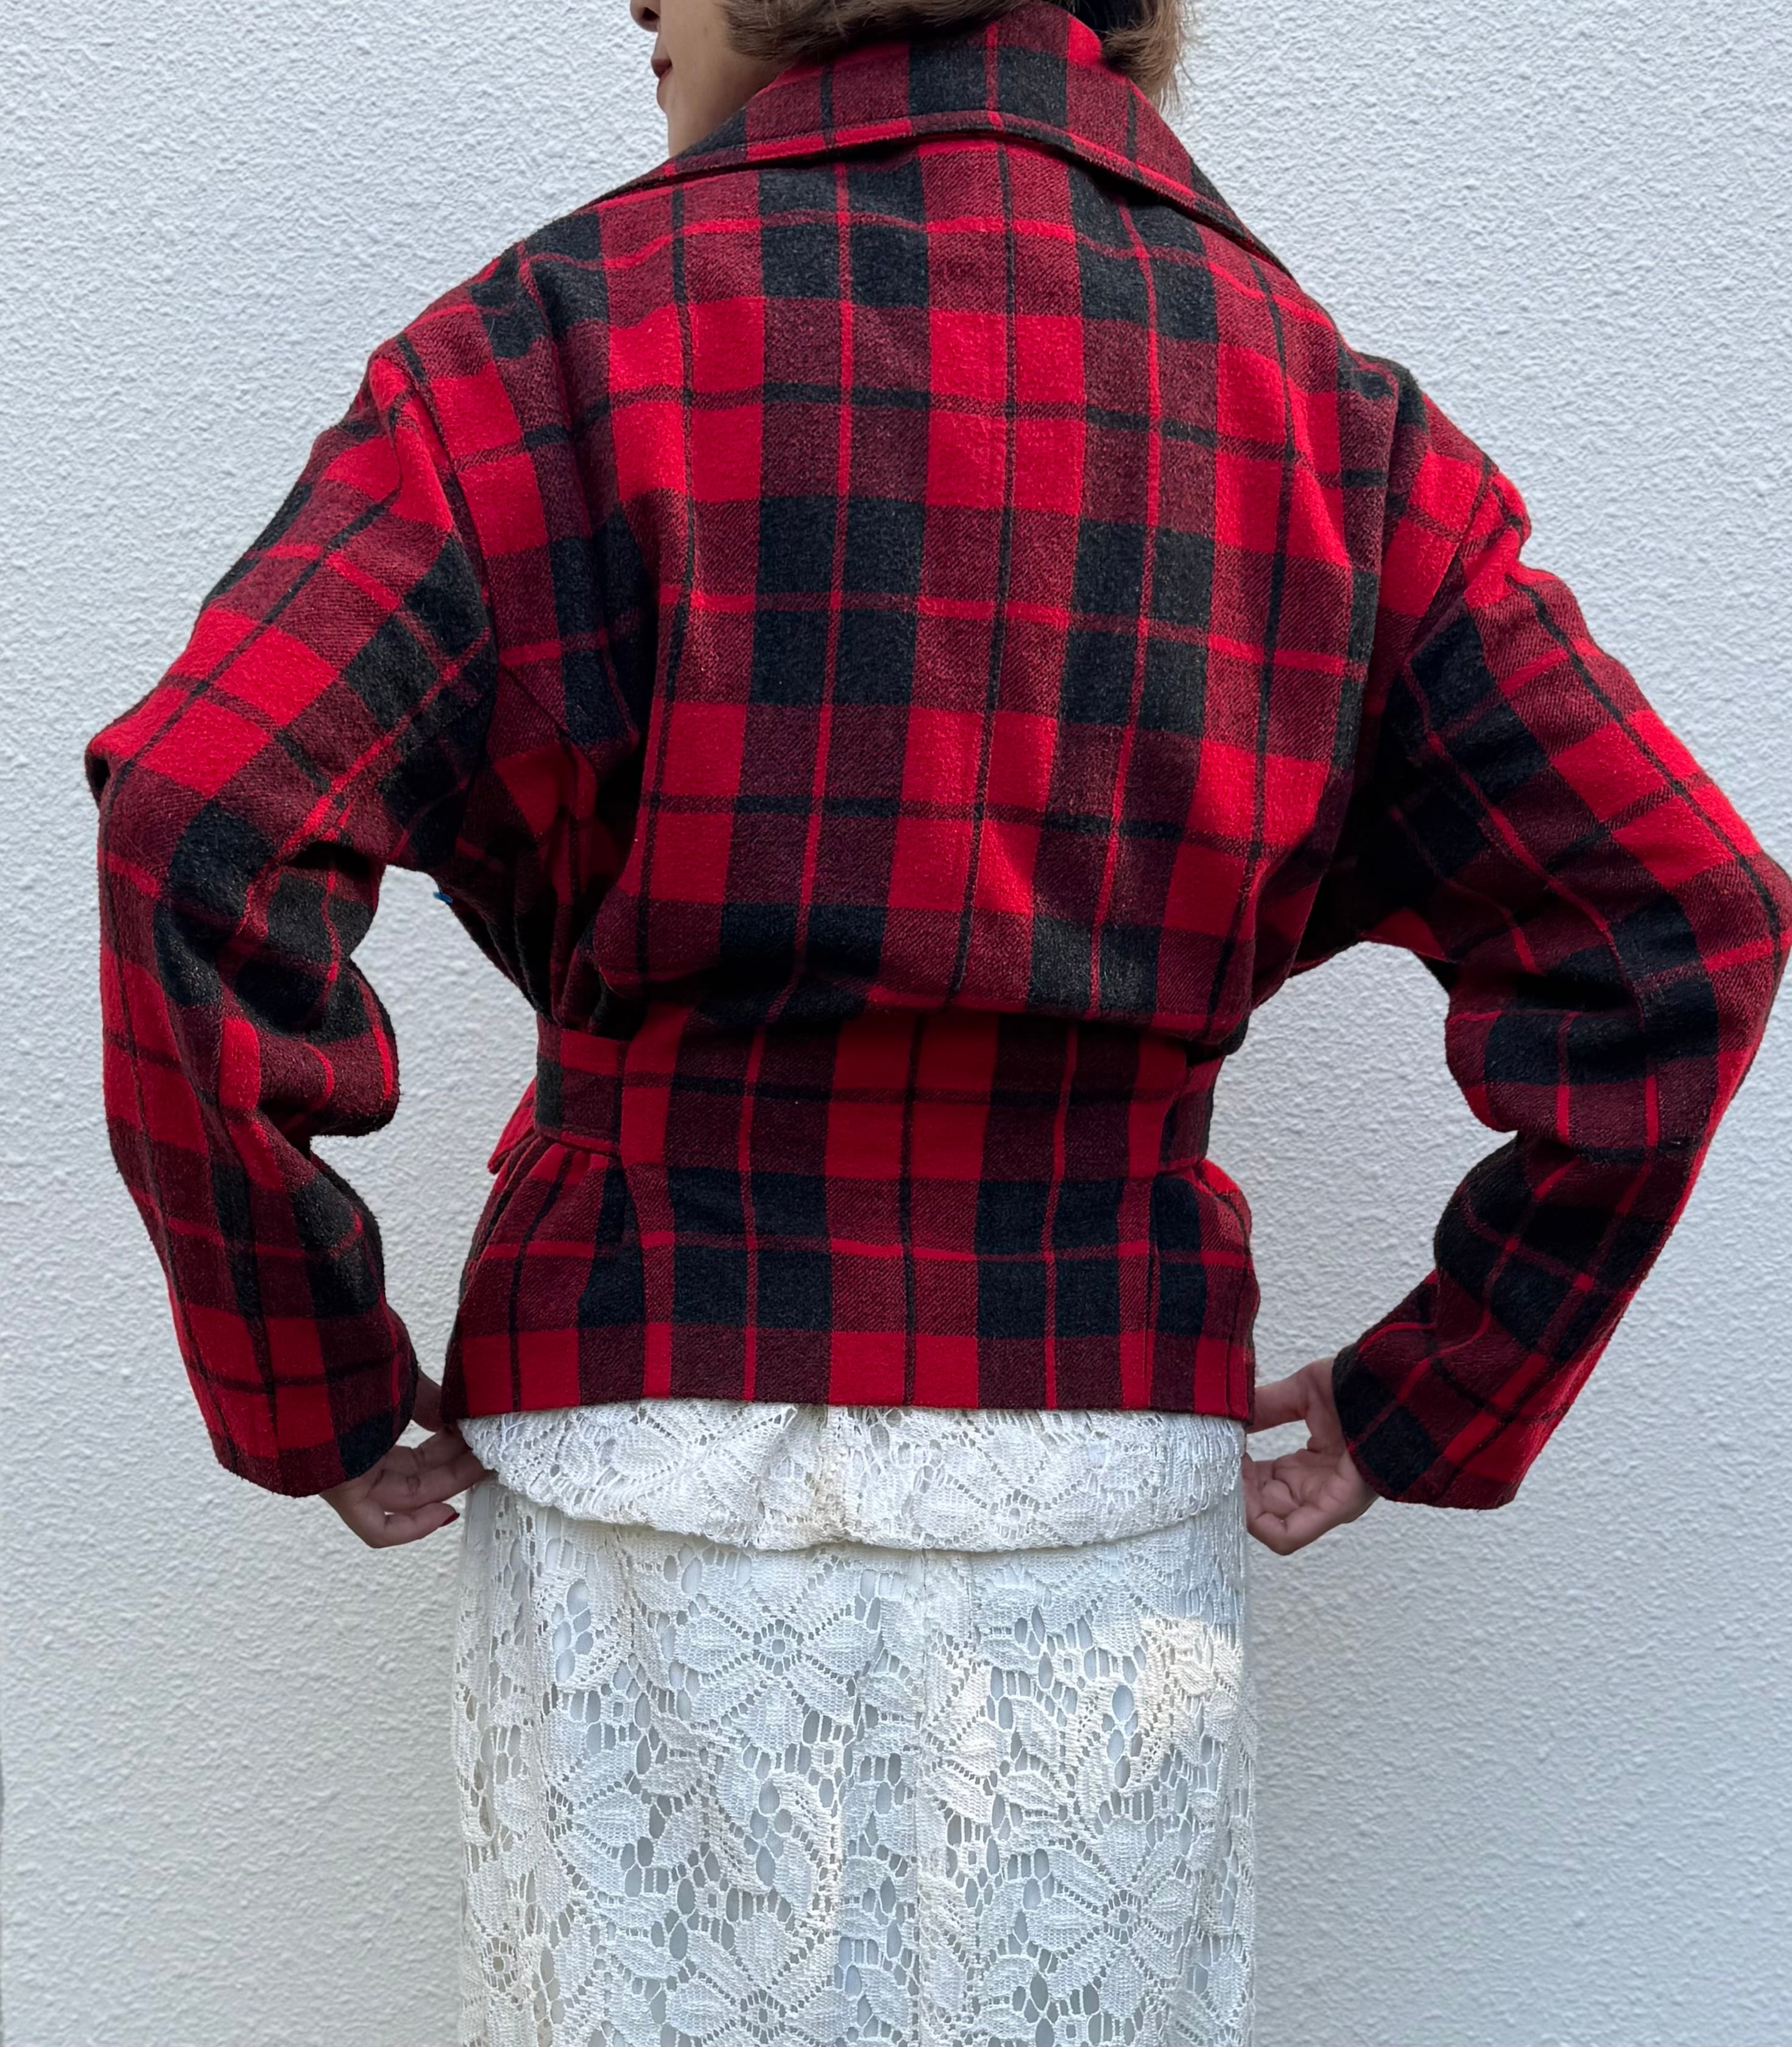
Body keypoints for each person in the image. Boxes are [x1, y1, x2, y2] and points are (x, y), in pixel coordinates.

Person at [85, 0, 1792, 2037]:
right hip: (1097, 1470)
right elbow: (1678, 921)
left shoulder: (545, 352)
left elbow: (201, 816)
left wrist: (311, 1370)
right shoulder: (1324, 421)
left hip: (648, 1439)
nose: (633, 5)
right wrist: (1444, 1381)